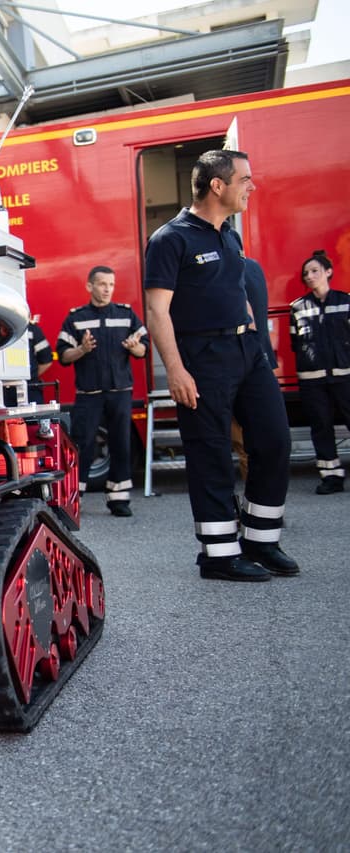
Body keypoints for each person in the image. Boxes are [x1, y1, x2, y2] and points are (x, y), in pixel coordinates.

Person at [143, 149, 298, 582]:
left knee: (274, 441)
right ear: (218, 185)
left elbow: (237, 290)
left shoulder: (230, 235)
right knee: (211, 454)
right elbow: (157, 312)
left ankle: (262, 541)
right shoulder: (169, 239)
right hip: (203, 359)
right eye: (245, 179)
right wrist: (175, 370)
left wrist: (256, 339)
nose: (253, 186)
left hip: (247, 354)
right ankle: (219, 554)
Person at [57, 266, 147, 516]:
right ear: (89, 286)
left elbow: (144, 349)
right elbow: (64, 355)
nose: (107, 289)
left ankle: (119, 500)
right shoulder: (76, 318)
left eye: (111, 284)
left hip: (120, 391)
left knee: (121, 444)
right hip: (89, 394)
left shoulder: (126, 315)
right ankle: (74, 498)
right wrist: (82, 350)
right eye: (102, 284)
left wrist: (134, 346)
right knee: (82, 445)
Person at [290, 249, 350, 494]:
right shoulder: (297, 308)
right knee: (321, 427)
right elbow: (296, 344)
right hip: (312, 380)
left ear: (328, 272)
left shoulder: (346, 302)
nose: (309, 276)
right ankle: (331, 477)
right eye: (306, 273)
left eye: (314, 271)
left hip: (345, 375)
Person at [231, 257, 279, 481]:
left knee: (242, 442)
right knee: (260, 437)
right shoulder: (254, 267)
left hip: (239, 362)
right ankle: (265, 504)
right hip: (261, 359)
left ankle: (255, 503)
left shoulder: (227, 268)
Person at [26, 314, 54, 404]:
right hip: (4, 391)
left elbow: (47, 360)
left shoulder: (32, 329)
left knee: (33, 418)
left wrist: (31, 375)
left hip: (30, 388)